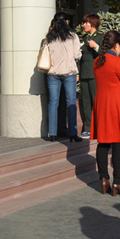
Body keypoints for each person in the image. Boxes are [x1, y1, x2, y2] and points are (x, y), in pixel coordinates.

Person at [91, 30, 120, 196]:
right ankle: (118, 182)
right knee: (119, 143)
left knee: (103, 143)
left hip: (102, 104)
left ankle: (103, 179)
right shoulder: (118, 61)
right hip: (117, 105)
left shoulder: (97, 61)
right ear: (117, 45)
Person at [44, 12, 82, 142]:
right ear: (66, 22)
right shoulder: (73, 36)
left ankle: (52, 133)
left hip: (53, 73)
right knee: (71, 102)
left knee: (53, 102)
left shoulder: (50, 37)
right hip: (69, 72)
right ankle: (73, 133)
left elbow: (46, 54)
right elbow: (77, 55)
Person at [78, 13, 103, 138]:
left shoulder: (101, 36)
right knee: (86, 102)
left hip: (95, 74)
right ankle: (87, 128)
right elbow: (80, 59)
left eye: (86, 22)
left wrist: (96, 47)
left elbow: (106, 54)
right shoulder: (85, 38)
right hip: (84, 74)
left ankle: (99, 128)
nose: (84, 25)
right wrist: (78, 73)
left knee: (96, 101)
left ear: (93, 24)